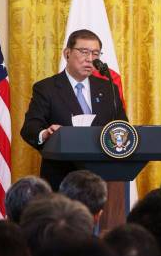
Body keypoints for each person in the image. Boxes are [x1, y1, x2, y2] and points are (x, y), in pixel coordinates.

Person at [20, 29, 127, 190]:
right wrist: (46, 134)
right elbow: (30, 128)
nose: (90, 59)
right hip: (61, 179)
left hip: (104, 180)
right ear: (67, 53)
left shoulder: (108, 88)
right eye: (84, 52)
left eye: (95, 53)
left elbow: (122, 126)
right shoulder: (46, 88)